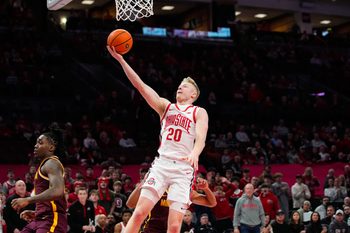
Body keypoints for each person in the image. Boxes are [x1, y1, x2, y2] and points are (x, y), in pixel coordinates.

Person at [107, 46, 209, 233]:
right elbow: (140, 86)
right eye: (179, 85)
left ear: (193, 95)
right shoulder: (165, 107)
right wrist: (121, 60)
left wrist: (195, 153)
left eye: (185, 86)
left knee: (174, 226)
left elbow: (201, 137)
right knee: (138, 213)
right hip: (161, 165)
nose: (180, 87)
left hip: (183, 169)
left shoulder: (198, 112)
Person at [11, 126, 67, 233]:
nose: (36, 146)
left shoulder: (52, 163)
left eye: (40, 143)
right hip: (40, 219)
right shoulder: (45, 165)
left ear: (51, 147)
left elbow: (57, 190)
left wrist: (28, 200)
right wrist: (38, 212)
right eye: (36, 143)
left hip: (52, 220)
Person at [126, 177, 216, 233]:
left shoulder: (185, 191)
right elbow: (130, 204)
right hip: (151, 230)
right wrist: (141, 185)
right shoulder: (155, 187)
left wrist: (206, 189)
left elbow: (212, 203)